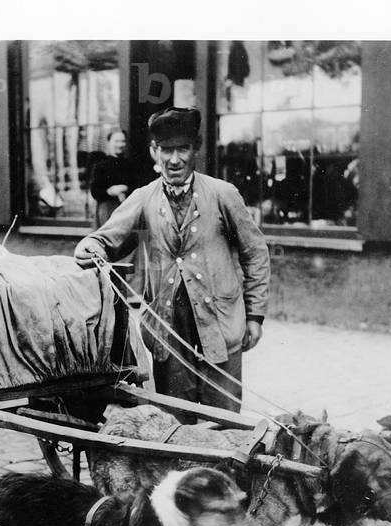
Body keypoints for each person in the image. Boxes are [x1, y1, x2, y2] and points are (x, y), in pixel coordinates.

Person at [74, 107, 270, 417]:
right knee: (175, 419)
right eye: (166, 150)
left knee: (226, 420)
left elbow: (255, 252)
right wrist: (88, 246)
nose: (174, 159)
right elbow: (103, 240)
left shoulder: (223, 195)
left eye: (182, 149)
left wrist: (255, 314)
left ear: (196, 149)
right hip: (168, 329)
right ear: (154, 151)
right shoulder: (143, 198)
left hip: (219, 323)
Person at [89, 129, 139, 227]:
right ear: (109, 142)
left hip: (127, 211)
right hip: (107, 212)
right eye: (116, 141)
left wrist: (126, 188)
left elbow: (138, 187)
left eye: (123, 141)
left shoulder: (130, 165)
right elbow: (95, 191)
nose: (120, 144)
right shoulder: (100, 166)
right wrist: (110, 191)